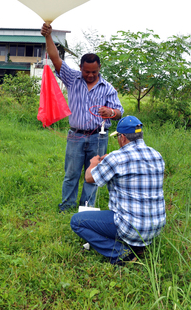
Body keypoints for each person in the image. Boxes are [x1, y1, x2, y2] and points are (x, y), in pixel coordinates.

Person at [41, 23, 123, 212]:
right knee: (71, 173)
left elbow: (119, 112)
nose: (90, 75)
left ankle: (86, 208)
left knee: (93, 173)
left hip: (98, 137)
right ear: (81, 68)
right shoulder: (72, 78)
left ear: (99, 68)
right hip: (76, 135)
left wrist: (110, 112)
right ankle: (66, 206)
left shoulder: (108, 88)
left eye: (94, 71)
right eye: (87, 71)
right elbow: (54, 57)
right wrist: (48, 36)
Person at [70, 116, 166, 265]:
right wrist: (111, 159)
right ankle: (138, 247)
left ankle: (121, 253)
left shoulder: (117, 158)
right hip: (155, 227)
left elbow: (89, 178)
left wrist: (93, 163)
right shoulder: (156, 155)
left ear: (122, 138)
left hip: (130, 227)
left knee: (77, 221)